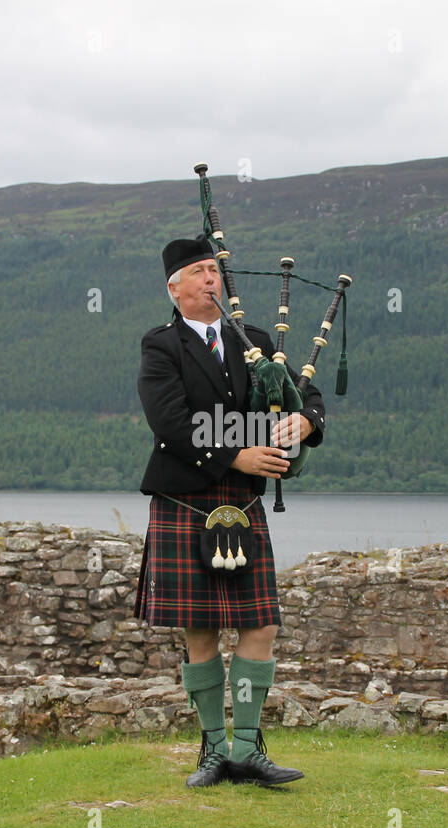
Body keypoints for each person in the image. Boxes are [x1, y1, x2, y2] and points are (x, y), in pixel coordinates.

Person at [134, 234, 326, 787]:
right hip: (186, 501)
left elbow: (306, 396)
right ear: (175, 289)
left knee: (259, 624)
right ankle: (213, 750)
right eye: (197, 271)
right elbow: (169, 424)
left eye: (214, 269)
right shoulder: (161, 346)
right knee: (199, 630)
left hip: (242, 505)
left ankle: (247, 749)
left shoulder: (257, 340)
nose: (210, 278)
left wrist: (307, 423)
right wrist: (238, 454)